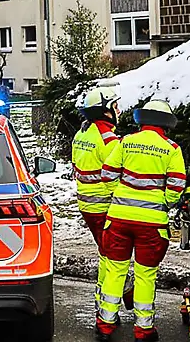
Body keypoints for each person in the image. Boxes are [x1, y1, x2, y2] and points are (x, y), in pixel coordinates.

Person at [95, 100, 186, 342]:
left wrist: (121, 193)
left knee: (115, 270)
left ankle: (105, 324)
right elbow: (177, 184)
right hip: (152, 224)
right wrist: (163, 202)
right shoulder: (171, 148)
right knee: (146, 275)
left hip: (119, 219)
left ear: (142, 120)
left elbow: (107, 174)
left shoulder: (125, 142)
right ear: (166, 123)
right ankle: (143, 329)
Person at [71, 87, 123, 309]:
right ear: (106, 111)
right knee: (110, 256)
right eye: (115, 106)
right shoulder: (109, 139)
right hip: (105, 205)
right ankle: (104, 302)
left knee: (105, 251)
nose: (119, 110)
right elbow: (116, 175)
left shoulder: (81, 134)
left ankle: (105, 299)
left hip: (86, 204)